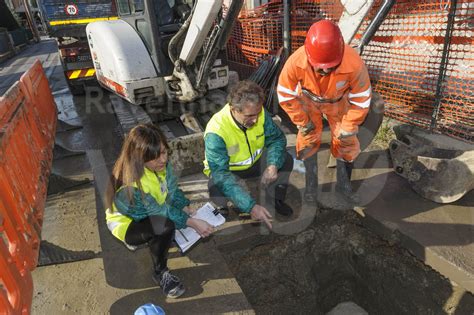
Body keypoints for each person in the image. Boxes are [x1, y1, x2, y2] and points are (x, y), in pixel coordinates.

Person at [105, 124, 214, 298]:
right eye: (154, 157)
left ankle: (159, 240)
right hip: (127, 222)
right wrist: (191, 222)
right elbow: (159, 210)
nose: (162, 159)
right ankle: (160, 272)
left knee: (170, 222)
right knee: (164, 227)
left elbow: (171, 189)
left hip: (152, 210)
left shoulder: (161, 165)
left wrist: (185, 207)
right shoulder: (131, 185)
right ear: (139, 158)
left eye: (164, 152)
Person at [277, 19, 372, 204]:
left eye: (330, 65)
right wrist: (302, 121)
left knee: (347, 141)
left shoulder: (354, 64)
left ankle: (344, 186)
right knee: (307, 140)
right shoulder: (296, 62)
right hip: (308, 101)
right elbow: (285, 94)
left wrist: (349, 125)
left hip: (338, 102)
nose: (325, 69)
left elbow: (361, 99)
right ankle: (311, 188)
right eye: (320, 66)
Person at [203, 80, 294, 228]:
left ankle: (276, 199)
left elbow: (277, 139)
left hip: (254, 163)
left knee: (286, 160)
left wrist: (272, 165)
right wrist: (250, 206)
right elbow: (221, 173)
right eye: (250, 115)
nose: (256, 119)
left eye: (258, 113)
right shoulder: (216, 131)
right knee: (216, 184)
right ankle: (223, 208)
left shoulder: (259, 113)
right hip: (230, 170)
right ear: (234, 109)